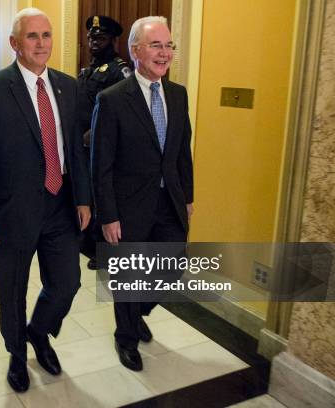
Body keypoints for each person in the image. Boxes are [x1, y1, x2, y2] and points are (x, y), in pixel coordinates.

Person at [0, 8, 91, 393]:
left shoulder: (69, 87)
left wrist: (83, 198)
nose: (41, 43)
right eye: (32, 36)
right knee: (12, 292)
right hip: (10, 213)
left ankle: (38, 332)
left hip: (61, 207)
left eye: (46, 35)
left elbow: (76, 151)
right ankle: (17, 356)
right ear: (15, 44)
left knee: (67, 283)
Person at [91, 16, 194, 372]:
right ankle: (126, 337)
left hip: (170, 203)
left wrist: (189, 196)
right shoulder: (113, 99)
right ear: (135, 51)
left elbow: (183, 151)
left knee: (172, 266)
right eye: (156, 46)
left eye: (169, 46)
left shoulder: (178, 95)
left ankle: (138, 312)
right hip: (128, 207)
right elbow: (100, 165)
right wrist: (108, 216)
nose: (164, 53)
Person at [78, 15, 131, 270]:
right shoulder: (89, 70)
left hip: (105, 145)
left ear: (112, 39)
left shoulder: (119, 70)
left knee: (104, 197)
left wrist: (94, 133)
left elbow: (123, 113)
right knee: (86, 193)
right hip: (83, 145)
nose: (93, 42)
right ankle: (87, 240)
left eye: (100, 38)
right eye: (91, 37)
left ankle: (106, 251)